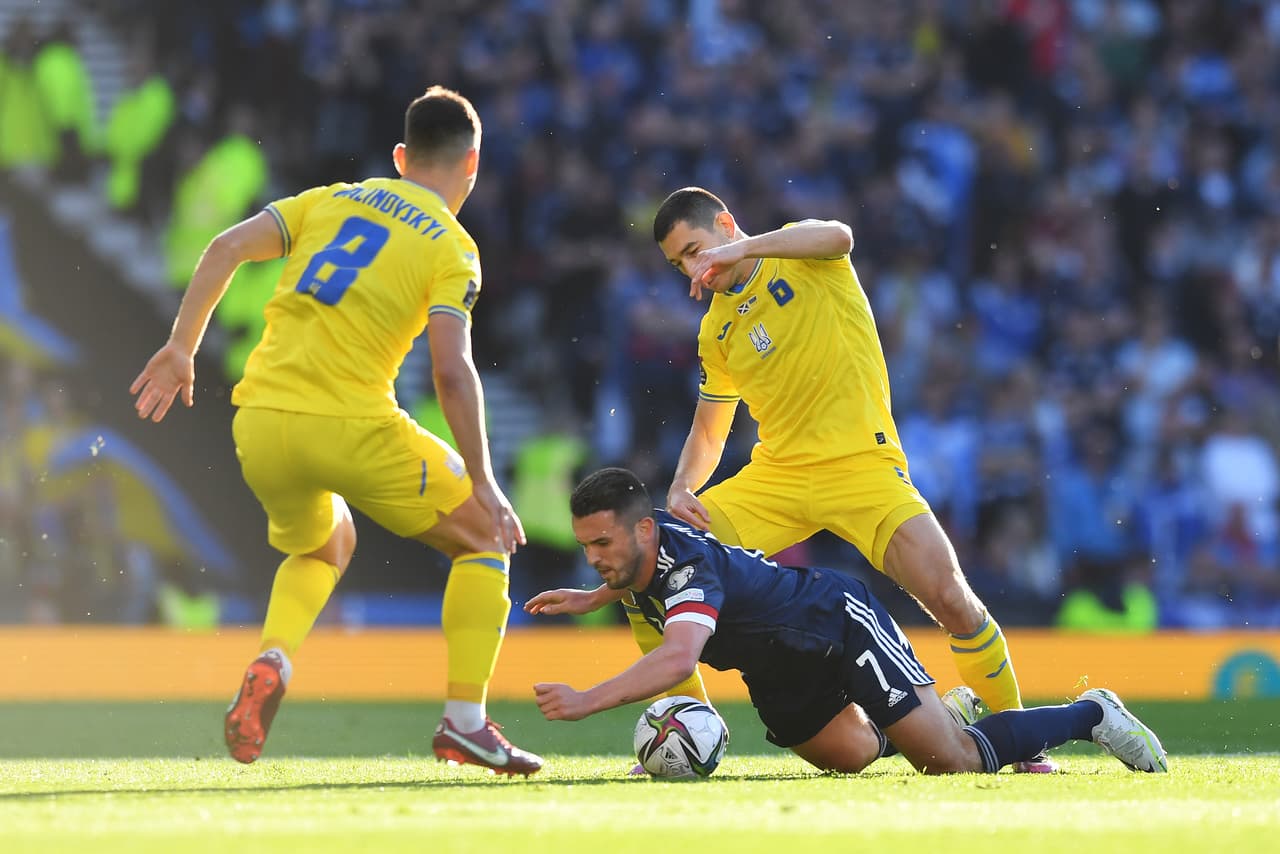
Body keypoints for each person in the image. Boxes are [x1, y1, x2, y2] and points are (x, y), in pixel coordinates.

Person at [129, 86, 542, 775]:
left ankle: (274, 656)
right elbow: (452, 370)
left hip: (259, 420)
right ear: (472, 165)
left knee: (327, 543)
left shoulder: (330, 199)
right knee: (483, 537)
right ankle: (465, 723)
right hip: (350, 424)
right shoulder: (454, 247)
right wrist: (485, 481)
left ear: (401, 156)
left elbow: (227, 246)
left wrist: (181, 348)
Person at [579, 186, 1053, 771]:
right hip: (778, 478)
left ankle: (1022, 742)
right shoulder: (716, 330)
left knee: (952, 599)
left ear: (728, 225)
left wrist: (744, 250)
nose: (695, 272)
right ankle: (685, 726)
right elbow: (709, 430)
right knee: (652, 556)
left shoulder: (802, 253)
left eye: (696, 251)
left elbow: (840, 235)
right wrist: (681, 489)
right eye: (681, 264)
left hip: (862, 467)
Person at [527, 468, 1169, 777]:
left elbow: (677, 661)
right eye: (586, 547)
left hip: (834, 623)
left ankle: (1092, 714)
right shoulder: (639, 551)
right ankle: (941, 711)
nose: (593, 558)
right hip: (778, 668)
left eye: (602, 545)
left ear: (642, 529)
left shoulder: (684, 561)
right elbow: (638, 577)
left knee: (946, 762)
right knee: (852, 757)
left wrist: (588, 701)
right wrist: (593, 595)